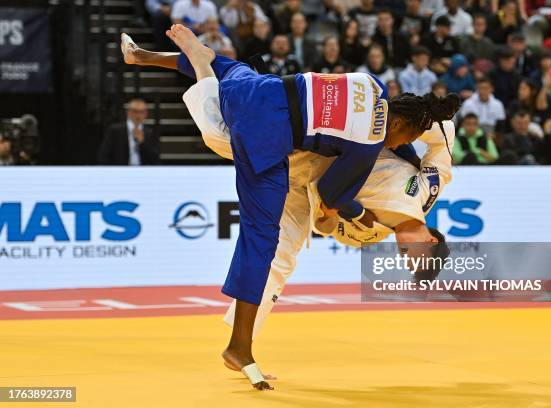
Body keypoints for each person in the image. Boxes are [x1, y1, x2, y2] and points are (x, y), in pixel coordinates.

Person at [122, 26, 460, 390]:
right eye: (416, 258)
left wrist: (348, 214)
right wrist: (405, 142)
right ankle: (201, 67)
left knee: (282, 256)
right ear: (432, 241)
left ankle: (158, 58)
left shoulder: (373, 233)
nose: (405, 256)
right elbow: (443, 135)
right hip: (301, 153)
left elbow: (327, 222)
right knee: (220, 136)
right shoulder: (429, 188)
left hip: (308, 178)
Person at [97, 98, 160, 165]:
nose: (138, 115)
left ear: (146, 114)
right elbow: (103, 155)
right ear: (128, 113)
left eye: (141, 112)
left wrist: (142, 143)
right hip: (120, 171)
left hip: (143, 172)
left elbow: (155, 159)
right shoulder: (115, 131)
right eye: (135, 112)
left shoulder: (150, 133)